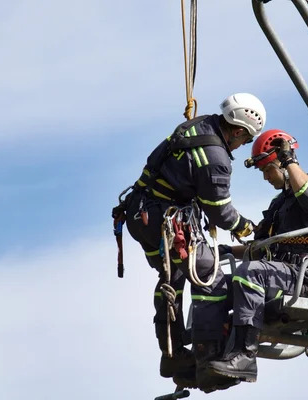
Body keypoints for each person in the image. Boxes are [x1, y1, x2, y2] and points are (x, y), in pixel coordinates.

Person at [114, 93, 267, 393]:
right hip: (159, 218)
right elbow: (220, 210)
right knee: (208, 273)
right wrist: (246, 226)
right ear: (237, 130)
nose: (242, 146)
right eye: (246, 140)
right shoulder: (216, 157)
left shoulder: (201, 125)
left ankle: (171, 356)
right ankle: (207, 355)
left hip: (140, 214)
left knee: (174, 276)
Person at [204, 128, 308, 383]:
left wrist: (290, 161)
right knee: (216, 282)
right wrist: (227, 251)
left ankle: (244, 356)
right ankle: (209, 353)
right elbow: (261, 245)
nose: (265, 178)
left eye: (267, 170)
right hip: (277, 275)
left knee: (249, 272)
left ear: (283, 164)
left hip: (304, 278)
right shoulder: (279, 205)